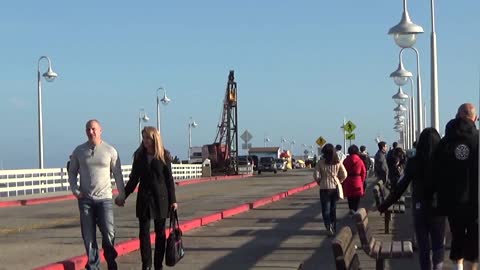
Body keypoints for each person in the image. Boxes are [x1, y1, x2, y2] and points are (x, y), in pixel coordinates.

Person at [378, 128, 446, 270]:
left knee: (423, 246)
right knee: (438, 244)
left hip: (419, 207)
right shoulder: (444, 161)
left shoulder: (414, 162)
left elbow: (400, 187)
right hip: (438, 207)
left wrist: (385, 204)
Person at [116, 126, 178, 270]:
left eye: (147, 138)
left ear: (154, 138)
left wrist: (173, 200)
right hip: (144, 199)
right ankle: (147, 265)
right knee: (144, 234)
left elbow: (169, 180)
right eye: (143, 138)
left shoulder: (164, 156)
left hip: (161, 199)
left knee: (160, 233)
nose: (145, 141)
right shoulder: (139, 156)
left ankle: (158, 265)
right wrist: (123, 195)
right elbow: (133, 180)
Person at [68, 119, 126, 270]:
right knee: (89, 237)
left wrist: (122, 194)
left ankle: (111, 261)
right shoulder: (79, 151)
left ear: (100, 130)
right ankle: (93, 266)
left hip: (104, 199)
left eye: (93, 129)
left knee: (109, 233)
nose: (90, 132)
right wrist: (75, 189)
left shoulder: (110, 150)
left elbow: (118, 174)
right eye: (88, 129)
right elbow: (72, 171)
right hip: (85, 200)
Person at [434, 103, 479, 270]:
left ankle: (457, 268)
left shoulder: (445, 142)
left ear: (457, 116)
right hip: (475, 200)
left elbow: (436, 170)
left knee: (457, 236)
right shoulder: (478, 139)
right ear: (475, 118)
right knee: (474, 238)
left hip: (452, 200)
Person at [313, 143, 347, 236]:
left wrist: (320, 182)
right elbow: (344, 174)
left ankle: (328, 227)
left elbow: (316, 175)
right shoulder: (338, 162)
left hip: (324, 188)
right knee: (333, 209)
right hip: (335, 188)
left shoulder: (320, 162)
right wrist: (339, 181)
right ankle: (334, 227)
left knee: (325, 210)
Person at [342, 144, 367, 214]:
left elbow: (342, 172)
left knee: (350, 198)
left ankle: (351, 209)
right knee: (357, 198)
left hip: (348, 180)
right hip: (357, 180)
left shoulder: (345, 161)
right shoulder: (360, 161)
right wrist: (361, 181)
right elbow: (363, 172)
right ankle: (355, 210)